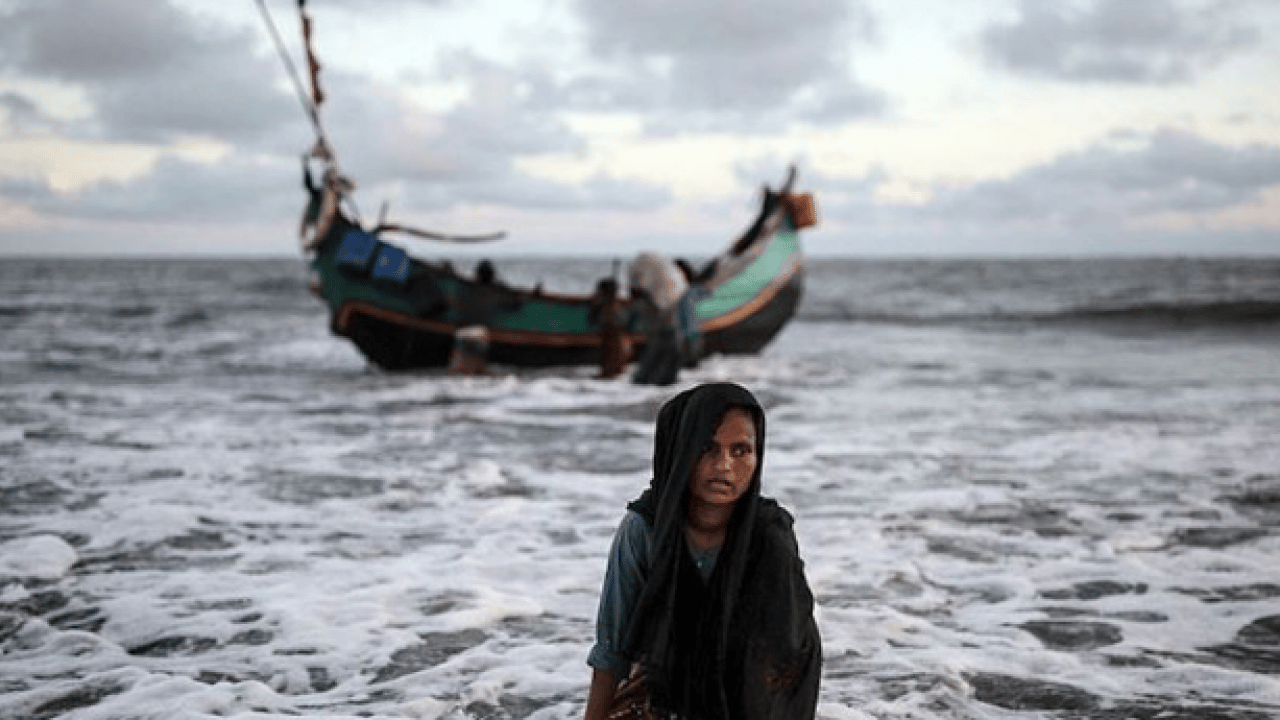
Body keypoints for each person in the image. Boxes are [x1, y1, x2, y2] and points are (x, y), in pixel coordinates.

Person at [584, 383, 822, 720]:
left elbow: (789, 652)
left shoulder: (770, 535)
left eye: (740, 451)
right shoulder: (645, 530)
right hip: (666, 697)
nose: (724, 465)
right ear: (679, 453)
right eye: (706, 448)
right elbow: (612, 650)